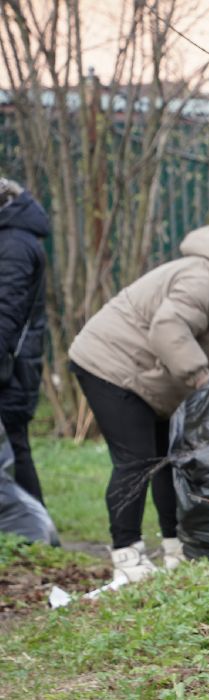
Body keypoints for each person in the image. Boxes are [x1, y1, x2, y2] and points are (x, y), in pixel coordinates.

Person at [68, 225, 209, 583]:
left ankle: (176, 549)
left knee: (174, 460)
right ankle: (127, 556)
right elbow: (168, 328)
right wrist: (202, 382)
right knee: (137, 461)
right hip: (111, 365)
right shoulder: (206, 279)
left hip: (153, 376)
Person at [0, 178, 50, 504]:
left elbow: (6, 312)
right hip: (14, 362)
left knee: (15, 444)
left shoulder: (15, 244)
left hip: (12, 367)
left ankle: (32, 532)